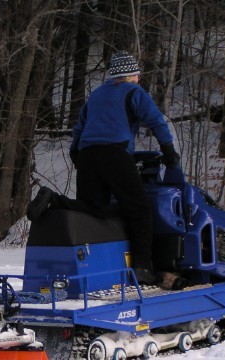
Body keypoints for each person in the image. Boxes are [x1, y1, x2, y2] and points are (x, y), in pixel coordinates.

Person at [28, 51, 179, 286]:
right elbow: (156, 120)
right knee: (140, 210)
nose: (138, 79)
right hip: (115, 154)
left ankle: (54, 200)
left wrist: (76, 154)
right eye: (137, 75)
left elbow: (78, 129)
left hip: (88, 156)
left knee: (93, 210)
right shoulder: (133, 92)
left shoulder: (96, 95)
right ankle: (141, 268)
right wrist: (168, 150)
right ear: (130, 75)